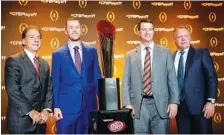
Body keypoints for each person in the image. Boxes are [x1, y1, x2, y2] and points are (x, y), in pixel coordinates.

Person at [122, 19, 179, 134]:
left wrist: (174, 101)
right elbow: (126, 81)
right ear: (138, 32)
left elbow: (172, 79)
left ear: (153, 31)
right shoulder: (130, 54)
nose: (147, 32)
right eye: (143, 29)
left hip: (161, 104)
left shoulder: (165, 52)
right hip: (139, 104)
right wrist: (127, 103)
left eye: (150, 29)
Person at [52, 18, 102, 134]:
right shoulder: (58, 54)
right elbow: (55, 83)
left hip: (88, 107)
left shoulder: (92, 51)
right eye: (71, 27)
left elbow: (97, 78)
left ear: (81, 29)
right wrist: (56, 106)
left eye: (77, 27)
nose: (74, 30)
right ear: (65, 31)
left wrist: (102, 103)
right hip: (66, 108)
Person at [4, 26, 53, 134]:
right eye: (31, 37)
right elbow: (13, 90)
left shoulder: (44, 64)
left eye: (38, 37)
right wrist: (31, 112)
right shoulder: (13, 61)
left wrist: (46, 110)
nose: (36, 40)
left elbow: (49, 89)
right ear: (23, 41)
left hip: (40, 124)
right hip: (20, 124)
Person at [173, 26, 218, 134]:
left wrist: (211, 101)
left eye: (186, 36)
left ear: (190, 37)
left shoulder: (201, 53)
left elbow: (211, 77)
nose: (183, 39)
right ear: (174, 39)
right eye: (179, 37)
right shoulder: (171, 57)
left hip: (201, 108)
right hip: (180, 109)